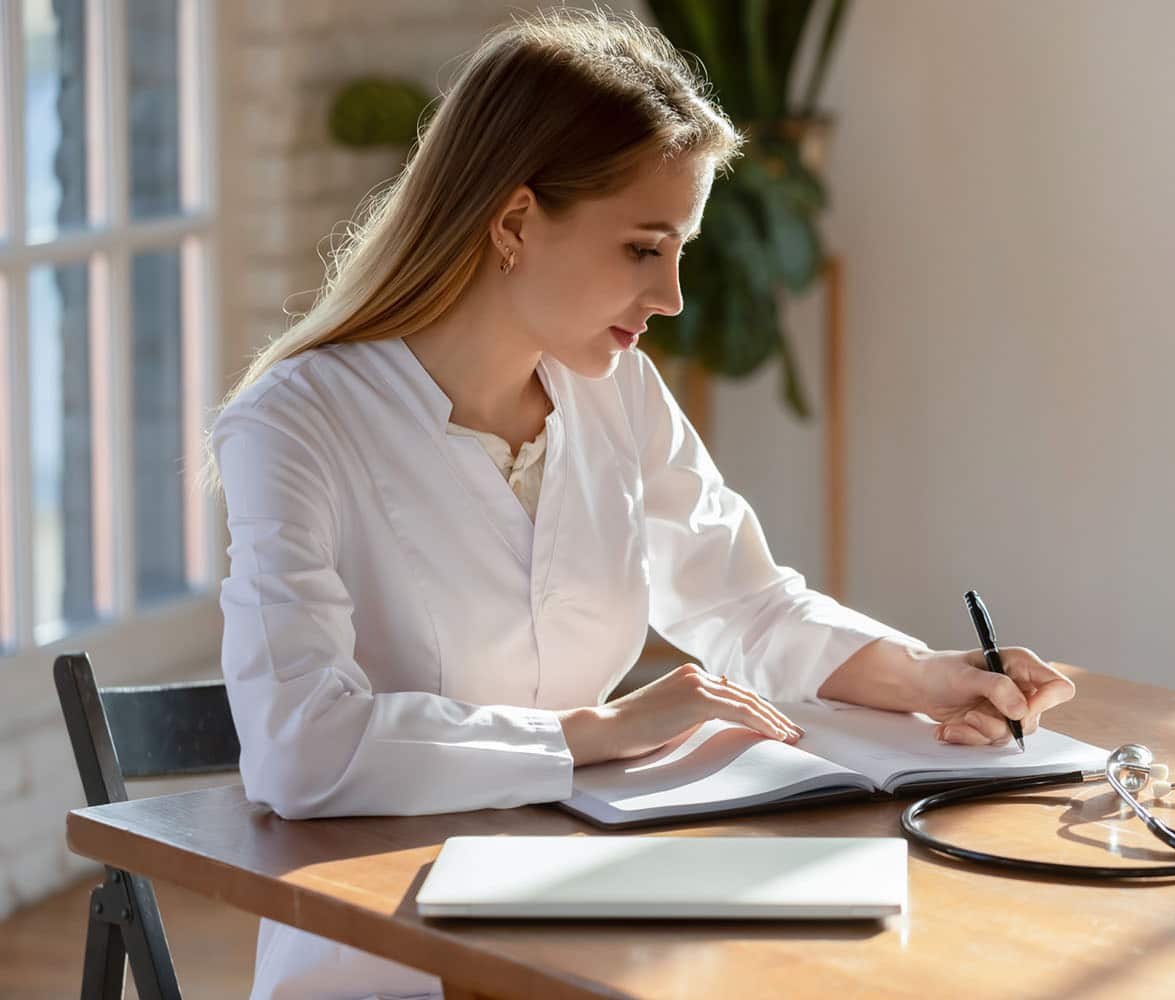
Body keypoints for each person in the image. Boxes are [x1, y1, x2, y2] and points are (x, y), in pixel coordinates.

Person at [207, 8, 1076, 998]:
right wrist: (595, 731)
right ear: (515, 222)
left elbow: (744, 601)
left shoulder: (612, 390)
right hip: (394, 948)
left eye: (681, 249)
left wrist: (924, 677)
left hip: (598, 913)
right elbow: (298, 750)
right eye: (641, 248)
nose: (669, 295)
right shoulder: (298, 424)